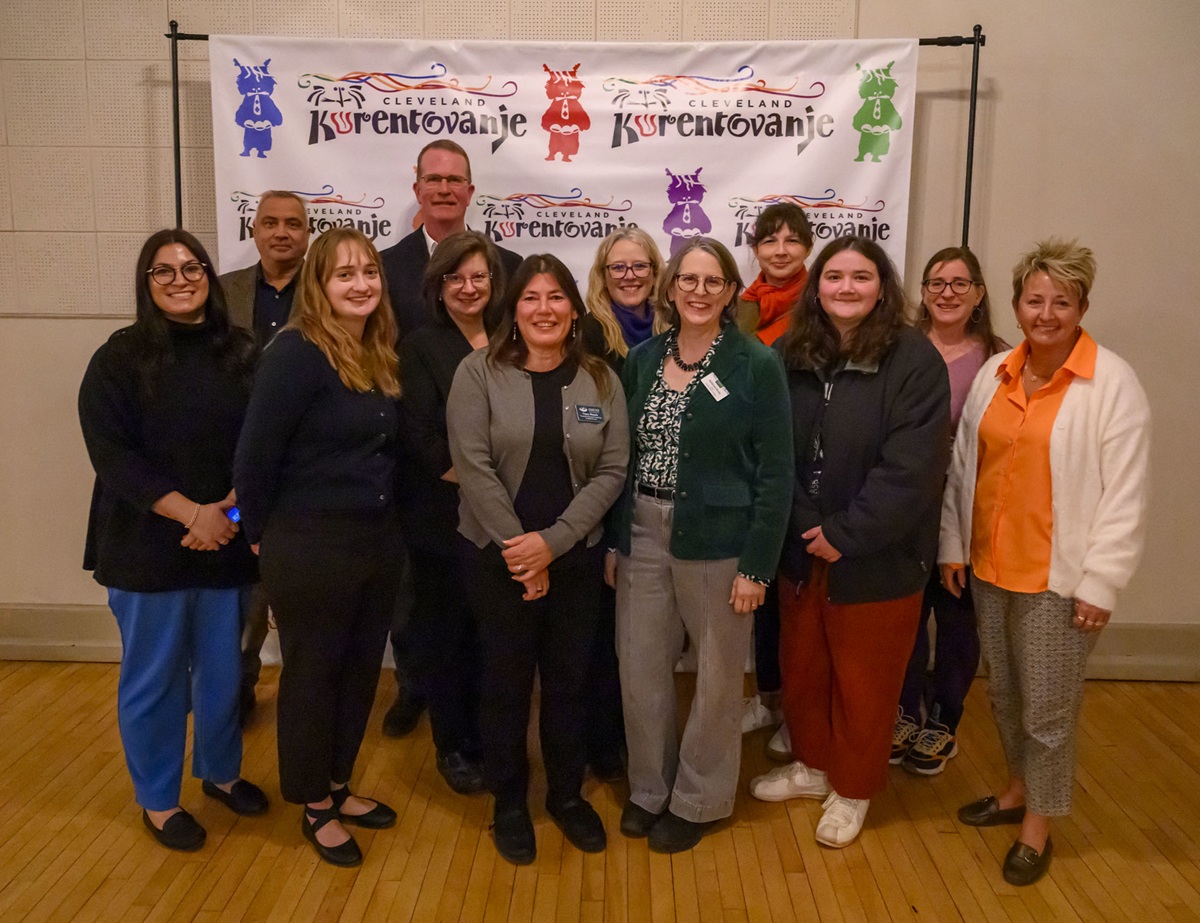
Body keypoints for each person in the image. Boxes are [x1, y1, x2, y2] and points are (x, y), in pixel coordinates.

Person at [942, 239, 1150, 886]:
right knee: (1004, 693)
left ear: (1082, 305)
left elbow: (1127, 493)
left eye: (1062, 300)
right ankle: (1014, 789)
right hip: (989, 567)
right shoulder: (997, 370)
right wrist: (953, 542)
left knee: (1048, 709)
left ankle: (1040, 822)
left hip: (1059, 581)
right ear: (1016, 304)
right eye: (1035, 299)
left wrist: (1102, 582)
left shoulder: (1110, 382)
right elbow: (961, 467)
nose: (1047, 311)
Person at [748, 236, 950, 850]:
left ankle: (854, 788)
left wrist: (845, 533)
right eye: (834, 276)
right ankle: (812, 767)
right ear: (817, 286)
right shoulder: (788, 351)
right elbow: (770, 446)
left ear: (882, 288)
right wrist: (806, 526)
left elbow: (912, 468)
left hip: (879, 557)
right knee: (804, 667)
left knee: (866, 681)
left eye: (861, 277)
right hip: (801, 547)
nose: (845, 288)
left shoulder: (915, 361)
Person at [78, 229, 268, 852]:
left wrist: (227, 517)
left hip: (226, 539)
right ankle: (158, 801)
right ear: (146, 282)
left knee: (222, 672)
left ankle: (219, 773)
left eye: (192, 268)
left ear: (210, 277)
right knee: (154, 679)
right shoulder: (118, 358)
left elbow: (262, 445)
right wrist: (193, 515)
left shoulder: (243, 352)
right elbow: (113, 456)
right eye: (164, 271)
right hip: (145, 546)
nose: (180, 279)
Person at [610, 237, 793, 854]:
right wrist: (615, 539)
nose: (698, 291)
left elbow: (775, 475)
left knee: (717, 676)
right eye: (687, 280)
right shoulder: (640, 358)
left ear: (730, 292)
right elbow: (623, 458)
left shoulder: (755, 364)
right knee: (640, 669)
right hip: (642, 530)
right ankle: (649, 789)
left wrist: (758, 567)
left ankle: (699, 799)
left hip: (720, 542)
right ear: (670, 288)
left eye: (712, 282)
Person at [447, 254, 628, 866]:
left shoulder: (600, 379)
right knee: (504, 684)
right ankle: (509, 803)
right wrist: (522, 551)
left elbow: (613, 470)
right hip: (495, 559)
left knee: (569, 684)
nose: (544, 309)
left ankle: (567, 795)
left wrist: (554, 542)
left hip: (575, 558)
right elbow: (472, 467)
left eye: (556, 298)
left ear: (574, 310)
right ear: (513, 310)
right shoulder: (477, 373)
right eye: (531, 298)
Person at [234, 227, 402, 868]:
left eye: (369, 273)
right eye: (343, 275)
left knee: (359, 673)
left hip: (375, 543)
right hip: (310, 547)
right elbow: (254, 458)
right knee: (312, 676)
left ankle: (339, 785)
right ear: (319, 286)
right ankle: (312, 805)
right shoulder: (296, 353)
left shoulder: (378, 350)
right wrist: (260, 540)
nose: (360, 284)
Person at [377, 139, 522, 737]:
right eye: (432, 179)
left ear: (469, 189)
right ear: (416, 188)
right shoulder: (386, 267)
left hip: (500, 488)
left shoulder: (509, 264)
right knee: (421, 603)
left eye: (454, 179)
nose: (443, 189)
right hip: (422, 472)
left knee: (477, 614)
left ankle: (470, 709)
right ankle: (418, 690)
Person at [395, 231, 507, 795]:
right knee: (447, 636)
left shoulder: (512, 340)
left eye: (479, 277)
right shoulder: (418, 346)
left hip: (507, 521)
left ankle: (492, 738)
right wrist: (486, 480)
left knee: (493, 637)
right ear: (437, 287)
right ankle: (453, 745)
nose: (468, 288)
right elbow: (417, 434)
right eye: (455, 279)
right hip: (442, 517)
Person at [892, 246, 1009, 775]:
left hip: (968, 508)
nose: (947, 293)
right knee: (907, 615)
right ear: (922, 292)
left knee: (958, 619)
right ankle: (904, 713)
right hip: (907, 509)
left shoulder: (1001, 362)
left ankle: (943, 721)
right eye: (936, 282)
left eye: (960, 283)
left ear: (979, 294)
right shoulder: (899, 350)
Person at [577, 227, 667, 781]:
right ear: (602, 275)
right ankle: (603, 741)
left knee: (648, 635)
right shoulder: (587, 331)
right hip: (603, 485)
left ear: (656, 274)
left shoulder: (677, 328)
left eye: (639, 267)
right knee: (601, 631)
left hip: (660, 488)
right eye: (618, 268)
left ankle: (647, 740)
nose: (629, 277)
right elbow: (580, 408)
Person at [219, 189, 311, 724]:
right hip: (232, 458)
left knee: (294, 587)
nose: (281, 232)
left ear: (306, 233)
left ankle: (303, 697)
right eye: (270, 222)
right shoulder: (222, 292)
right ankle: (236, 686)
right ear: (253, 230)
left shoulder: (325, 291)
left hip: (302, 466)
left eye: (293, 224)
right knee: (240, 584)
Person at [734, 203, 815, 756]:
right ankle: (767, 696)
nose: (781, 249)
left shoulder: (821, 305)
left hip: (800, 472)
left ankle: (798, 712)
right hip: (745, 472)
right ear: (756, 248)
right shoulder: (739, 308)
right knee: (759, 596)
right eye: (770, 240)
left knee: (796, 603)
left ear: (808, 247)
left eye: (792, 239)